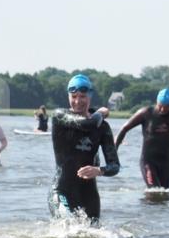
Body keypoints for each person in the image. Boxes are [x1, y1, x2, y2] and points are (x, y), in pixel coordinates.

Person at [49, 74, 120, 224]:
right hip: (62, 191)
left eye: (82, 96)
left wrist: (99, 170)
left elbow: (115, 166)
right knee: (67, 232)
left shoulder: (103, 127)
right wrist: (100, 112)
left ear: (90, 96)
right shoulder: (60, 117)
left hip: (89, 195)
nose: (78, 101)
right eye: (74, 96)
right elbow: (87, 125)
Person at [114, 87, 169, 189]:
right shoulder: (146, 113)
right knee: (154, 191)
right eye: (161, 106)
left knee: (165, 193)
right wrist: (114, 152)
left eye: (166, 107)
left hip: (166, 162)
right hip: (148, 161)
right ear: (157, 102)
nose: (163, 109)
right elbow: (125, 128)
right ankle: (146, 205)